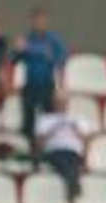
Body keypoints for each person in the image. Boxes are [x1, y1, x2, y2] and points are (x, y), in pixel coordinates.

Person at [11, 8, 67, 142]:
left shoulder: (54, 40)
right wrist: (17, 50)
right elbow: (14, 60)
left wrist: (60, 86)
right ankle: (28, 149)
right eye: (36, 21)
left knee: (48, 120)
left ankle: (48, 149)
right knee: (28, 121)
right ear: (32, 22)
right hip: (30, 85)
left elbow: (61, 60)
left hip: (47, 84)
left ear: (47, 22)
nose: (39, 24)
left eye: (42, 21)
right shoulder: (26, 39)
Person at [36, 91, 87, 200]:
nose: (61, 104)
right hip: (54, 150)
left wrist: (75, 129)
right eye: (58, 102)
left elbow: (85, 140)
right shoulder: (45, 120)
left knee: (70, 159)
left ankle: (72, 185)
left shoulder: (76, 119)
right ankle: (74, 185)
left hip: (73, 151)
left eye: (63, 102)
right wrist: (52, 130)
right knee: (65, 159)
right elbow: (39, 143)